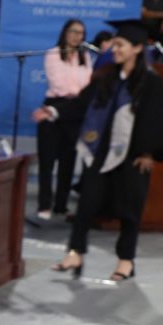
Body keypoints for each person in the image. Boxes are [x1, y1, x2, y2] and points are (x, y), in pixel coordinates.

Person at [45, 20, 163, 282]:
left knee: (130, 209)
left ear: (137, 48)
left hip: (133, 154)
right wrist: (53, 110)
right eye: (114, 44)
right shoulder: (107, 77)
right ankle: (75, 253)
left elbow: (156, 119)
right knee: (87, 204)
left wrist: (148, 152)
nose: (115, 49)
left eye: (120, 45)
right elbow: (82, 103)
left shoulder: (150, 82)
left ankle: (126, 261)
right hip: (101, 151)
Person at [34, 19, 93, 220]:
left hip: (76, 111)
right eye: (73, 31)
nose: (77, 36)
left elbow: (88, 83)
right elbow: (58, 84)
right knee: (47, 160)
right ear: (65, 32)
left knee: (69, 159)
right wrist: (78, 94)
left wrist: (80, 96)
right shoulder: (53, 54)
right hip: (54, 105)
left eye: (81, 33)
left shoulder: (85, 56)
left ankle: (61, 204)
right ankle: (44, 205)